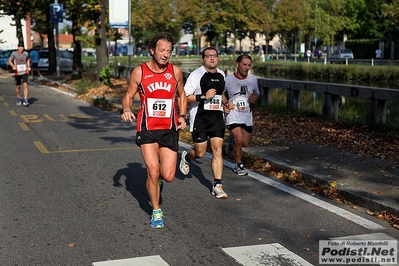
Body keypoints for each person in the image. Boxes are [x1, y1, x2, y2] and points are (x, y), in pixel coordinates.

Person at [120, 32, 187, 229]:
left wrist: (182, 116)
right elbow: (128, 96)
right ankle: (156, 211)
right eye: (162, 50)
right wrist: (126, 109)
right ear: (152, 50)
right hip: (147, 128)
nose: (166, 54)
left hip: (169, 128)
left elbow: (182, 95)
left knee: (167, 175)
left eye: (169, 51)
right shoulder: (139, 72)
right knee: (152, 170)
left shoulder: (175, 72)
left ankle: (157, 182)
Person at [179, 47, 229, 199]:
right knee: (200, 153)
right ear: (203, 59)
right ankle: (187, 157)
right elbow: (184, 96)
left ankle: (218, 185)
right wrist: (203, 96)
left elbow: (221, 93)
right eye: (208, 56)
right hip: (200, 119)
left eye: (214, 56)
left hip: (217, 119)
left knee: (217, 150)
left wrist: (225, 103)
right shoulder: (196, 75)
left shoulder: (221, 74)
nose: (212, 58)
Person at [224, 55, 260, 175]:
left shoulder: (253, 79)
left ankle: (232, 142)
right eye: (244, 64)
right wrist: (225, 103)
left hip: (246, 113)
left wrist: (255, 98)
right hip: (232, 113)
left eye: (249, 65)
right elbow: (221, 93)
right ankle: (238, 165)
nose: (247, 68)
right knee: (239, 139)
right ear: (237, 64)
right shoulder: (228, 79)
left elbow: (256, 94)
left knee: (245, 143)